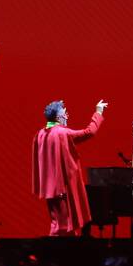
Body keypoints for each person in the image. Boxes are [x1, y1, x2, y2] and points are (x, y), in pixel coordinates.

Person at [32, 98, 106, 236]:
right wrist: (98, 112)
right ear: (59, 116)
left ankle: (55, 254)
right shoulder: (62, 133)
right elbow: (89, 132)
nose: (67, 115)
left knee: (56, 224)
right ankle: (64, 255)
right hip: (61, 188)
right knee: (65, 228)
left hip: (49, 189)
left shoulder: (40, 134)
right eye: (65, 113)